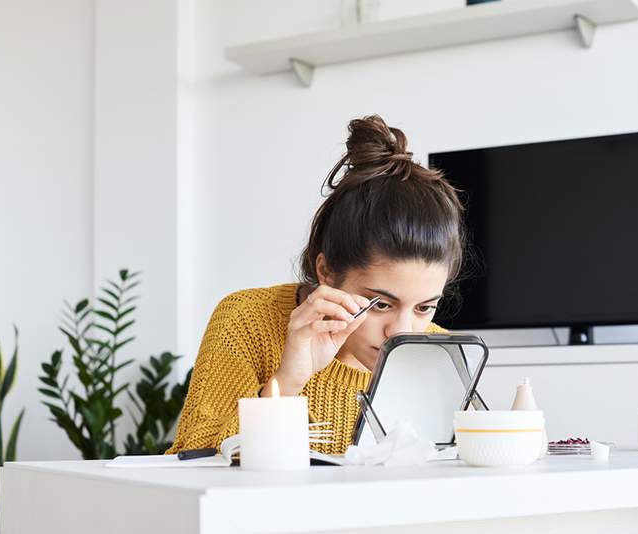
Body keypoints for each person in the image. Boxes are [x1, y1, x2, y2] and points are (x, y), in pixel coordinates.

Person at [167, 115, 466, 456]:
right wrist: (288, 381)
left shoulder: (439, 353)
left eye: (424, 307)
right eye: (381, 304)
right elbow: (190, 464)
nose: (401, 333)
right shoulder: (246, 321)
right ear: (325, 272)